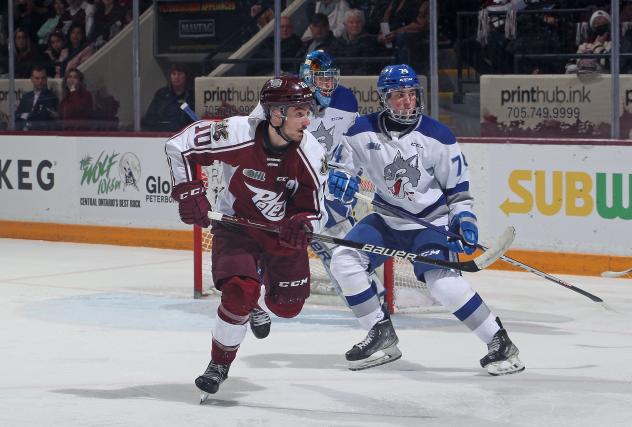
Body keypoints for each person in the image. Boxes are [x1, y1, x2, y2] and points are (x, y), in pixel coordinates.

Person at [327, 64, 525, 376]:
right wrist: (341, 182)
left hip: (429, 223)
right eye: (398, 95)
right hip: (386, 219)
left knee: (443, 284)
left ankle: (499, 342)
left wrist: (464, 219)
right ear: (384, 99)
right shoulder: (360, 130)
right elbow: (342, 171)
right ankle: (381, 335)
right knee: (343, 259)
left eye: (411, 94)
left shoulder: (438, 136)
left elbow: (457, 189)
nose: (407, 101)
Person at [165, 76, 327, 396]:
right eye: (299, 112)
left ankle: (259, 298)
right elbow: (179, 145)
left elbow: (316, 209)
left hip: (280, 235)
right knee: (239, 292)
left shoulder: (311, 150)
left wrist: (304, 224)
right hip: (237, 226)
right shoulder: (237, 132)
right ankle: (219, 363)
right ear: (276, 114)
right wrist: (188, 192)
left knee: (288, 307)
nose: (308, 120)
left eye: (307, 111)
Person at [250, 50, 385, 303]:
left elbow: (348, 147)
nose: (328, 85)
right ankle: (251, 298)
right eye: (321, 79)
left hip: (320, 190)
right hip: (279, 187)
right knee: (265, 245)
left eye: (330, 79)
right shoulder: (282, 94)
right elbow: (255, 139)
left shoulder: (345, 101)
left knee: (343, 249)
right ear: (307, 78)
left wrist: (345, 174)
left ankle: (371, 302)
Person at [328, 8, 383, 75]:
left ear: (363, 24)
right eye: (351, 22)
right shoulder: (336, 43)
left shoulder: (371, 41)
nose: (355, 25)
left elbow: (368, 67)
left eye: (358, 22)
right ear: (345, 25)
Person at [142, 64, 194, 132]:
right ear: (170, 77)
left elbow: (195, 119)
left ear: (185, 76)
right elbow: (150, 118)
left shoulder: (192, 95)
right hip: (161, 133)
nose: (177, 77)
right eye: (174, 74)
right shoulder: (161, 94)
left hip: (184, 134)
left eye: (180, 74)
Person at [15, 65, 59, 131]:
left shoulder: (51, 97)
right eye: (37, 78)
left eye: (43, 78)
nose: (40, 81)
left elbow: (43, 116)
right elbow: (17, 115)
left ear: (46, 79)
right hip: (23, 133)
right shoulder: (26, 97)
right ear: (32, 79)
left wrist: (25, 115)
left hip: (41, 132)